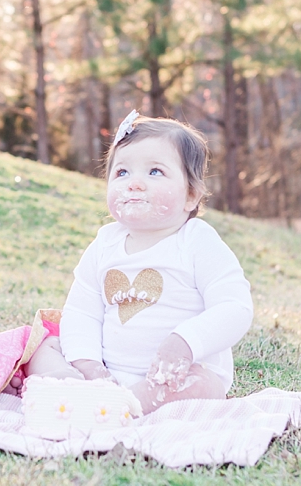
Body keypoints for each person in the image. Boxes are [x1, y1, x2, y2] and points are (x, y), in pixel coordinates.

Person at [25, 111, 253, 414]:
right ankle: (69, 384)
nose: (134, 183)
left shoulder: (197, 242)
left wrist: (185, 342)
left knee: (204, 383)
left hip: (172, 376)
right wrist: (89, 365)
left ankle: (126, 406)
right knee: (43, 344)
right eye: (121, 173)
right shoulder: (105, 244)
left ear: (191, 195)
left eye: (154, 172)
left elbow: (234, 308)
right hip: (106, 373)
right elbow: (82, 312)